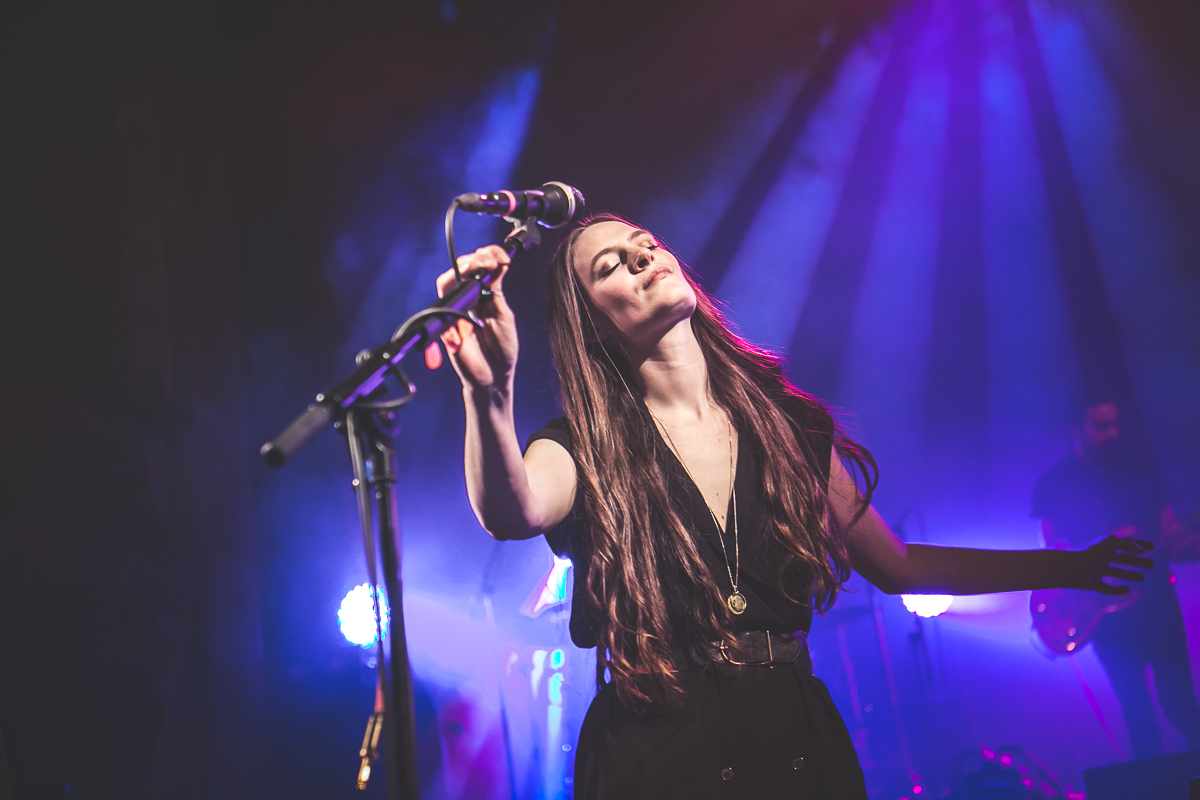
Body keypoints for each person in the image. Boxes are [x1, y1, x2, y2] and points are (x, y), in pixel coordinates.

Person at [428, 214, 1153, 799]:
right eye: (612, 264)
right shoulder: (581, 445)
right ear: (590, 322)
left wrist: (1070, 566)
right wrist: (489, 396)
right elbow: (514, 511)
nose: (644, 257)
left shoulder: (787, 429)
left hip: (791, 736)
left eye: (644, 243)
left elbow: (897, 567)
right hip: (657, 748)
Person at [1032, 397, 1200, 760]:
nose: (1111, 433)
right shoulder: (1053, 484)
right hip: (1104, 614)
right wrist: (1103, 546)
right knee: (1137, 713)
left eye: (1114, 424)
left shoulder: (1142, 470)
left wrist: (1186, 541)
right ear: (1075, 430)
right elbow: (1051, 552)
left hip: (1156, 603)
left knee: (1181, 704)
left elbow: (1170, 533)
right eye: (1100, 426)